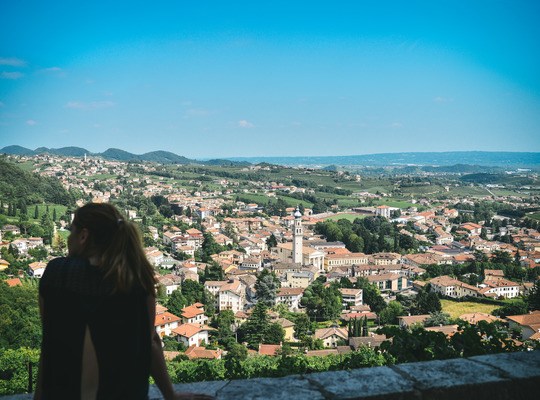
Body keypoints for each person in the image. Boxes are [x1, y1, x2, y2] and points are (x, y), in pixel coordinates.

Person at [35, 203, 212, 400]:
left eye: (71, 231)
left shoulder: (55, 274)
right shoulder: (136, 282)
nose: (68, 238)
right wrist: (171, 395)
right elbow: (150, 342)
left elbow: (49, 341)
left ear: (83, 236)